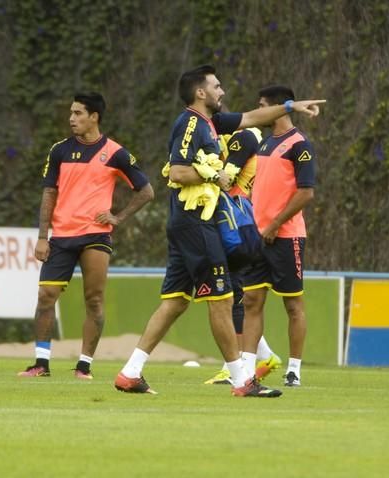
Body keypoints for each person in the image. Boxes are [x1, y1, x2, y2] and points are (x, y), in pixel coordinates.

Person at [114, 65, 324, 397]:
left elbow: (253, 118)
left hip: (191, 223)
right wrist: (215, 177)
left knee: (175, 303)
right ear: (201, 92)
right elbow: (179, 172)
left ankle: (130, 372)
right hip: (195, 222)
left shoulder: (213, 123)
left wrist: (290, 107)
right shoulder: (189, 123)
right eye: (216, 85)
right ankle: (243, 381)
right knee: (223, 299)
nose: (222, 90)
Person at [18, 92, 154, 379]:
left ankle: (84, 366)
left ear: (94, 117)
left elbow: (146, 191)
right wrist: (43, 236)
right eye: (71, 113)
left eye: (78, 113)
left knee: (93, 300)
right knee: (46, 296)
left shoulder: (116, 153)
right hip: (62, 236)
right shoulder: (59, 150)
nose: (72, 118)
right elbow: (49, 193)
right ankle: (41, 364)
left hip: (95, 235)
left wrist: (118, 217)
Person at [239, 85, 317, 388]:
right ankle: (246, 370)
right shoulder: (263, 145)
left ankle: (294, 369)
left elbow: (306, 193)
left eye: (261, 106)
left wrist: (274, 225)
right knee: (251, 301)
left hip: (286, 237)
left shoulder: (300, 145)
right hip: (257, 237)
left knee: (293, 305)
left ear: (278, 108)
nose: (258, 112)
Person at [203, 121, 282, 386]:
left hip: (235, 219)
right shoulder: (249, 140)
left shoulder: (242, 137)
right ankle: (265, 355)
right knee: (234, 293)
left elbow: (227, 179)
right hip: (242, 215)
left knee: (232, 293)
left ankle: (233, 365)